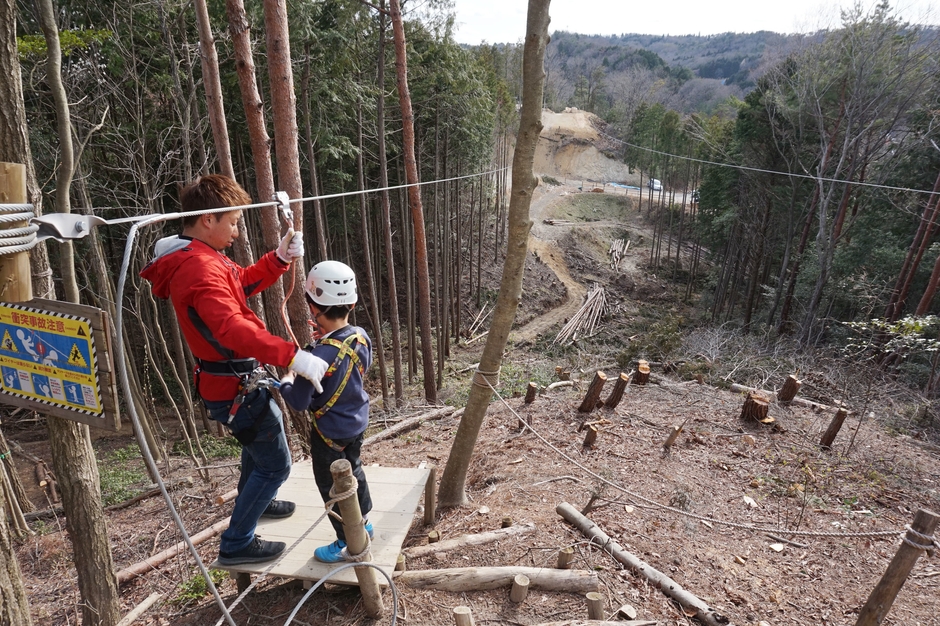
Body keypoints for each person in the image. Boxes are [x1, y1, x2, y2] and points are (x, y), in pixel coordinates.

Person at [140, 174, 329, 566]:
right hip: (233, 384)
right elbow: (231, 328)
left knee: (256, 450)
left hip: (230, 380)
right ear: (208, 218)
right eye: (234, 221)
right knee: (276, 462)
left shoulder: (203, 257)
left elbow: (239, 283)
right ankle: (238, 541)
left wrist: (277, 260)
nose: (238, 231)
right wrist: (292, 356)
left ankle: (257, 503)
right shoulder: (198, 268)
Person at [279, 261, 374, 563]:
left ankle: (347, 540)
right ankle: (365, 521)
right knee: (354, 469)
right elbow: (357, 366)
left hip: (329, 434)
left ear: (312, 306)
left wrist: (286, 379)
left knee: (331, 487)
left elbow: (297, 402)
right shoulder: (359, 336)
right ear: (353, 302)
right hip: (357, 422)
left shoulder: (315, 357)